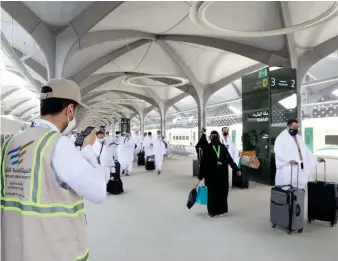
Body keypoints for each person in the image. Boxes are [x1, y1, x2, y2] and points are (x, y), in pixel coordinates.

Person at [1, 78, 110, 261]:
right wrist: (88, 150)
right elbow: (98, 191)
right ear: (70, 110)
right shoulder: (57, 145)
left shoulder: (10, 144)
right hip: (51, 250)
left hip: (14, 250)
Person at [198, 130, 241, 218]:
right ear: (218, 138)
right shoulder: (223, 148)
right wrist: (236, 169)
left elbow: (203, 163)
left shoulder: (207, 148)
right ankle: (222, 210)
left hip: (211, 176)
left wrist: (201, 175)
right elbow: (230, 160)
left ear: (210, 138)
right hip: (223, 175)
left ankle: (213, 211)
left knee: (212, 193)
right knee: (222, 192)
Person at [274, 119, 325, 189]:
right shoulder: (281, 138)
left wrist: (316, 158)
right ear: (288, 127)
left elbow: (306, 151)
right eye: (294, 128)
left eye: (297, 128)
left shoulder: (299, 138)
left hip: (300, 167)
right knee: (288, 189)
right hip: (289, 168)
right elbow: (278, 153)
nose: (296, 130)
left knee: (301, 188)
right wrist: (288, 160)